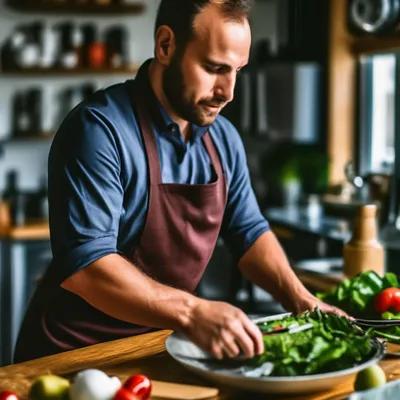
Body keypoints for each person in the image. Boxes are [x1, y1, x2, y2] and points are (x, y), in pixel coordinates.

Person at [14, 0, 345, 363]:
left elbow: (248, 231)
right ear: (166, 46)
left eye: (236, 70)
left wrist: (301, 300)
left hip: (161, 348)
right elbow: (88, 268)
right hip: (73, 355)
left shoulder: (224, 139)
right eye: (214, 68)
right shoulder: (99, 130)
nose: (228, 92)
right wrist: (192, 312)